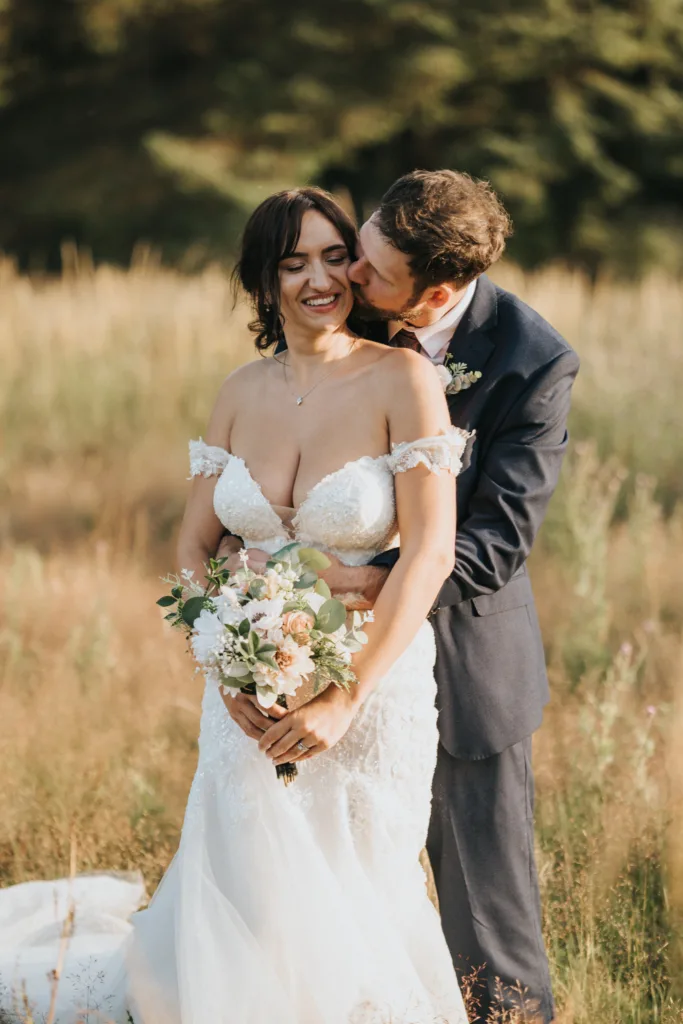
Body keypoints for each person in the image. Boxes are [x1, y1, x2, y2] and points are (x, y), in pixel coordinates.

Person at [0, 186, 470, 1024]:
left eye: (334, 257)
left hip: (369, 689)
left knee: (352, 883)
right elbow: (192, 546)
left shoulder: (402, 377)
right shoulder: (236, 391)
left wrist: (346, 694)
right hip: (243, 691)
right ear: (263, 279)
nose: (320, 279)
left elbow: (431, 551)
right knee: (246, 883)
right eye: (293, 263)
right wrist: (221, 664)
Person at [288, 169, 579, 1022]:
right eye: (356, 252)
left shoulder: (534, 361)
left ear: (438, 292)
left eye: (371, 273)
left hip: (462, 666)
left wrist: (374, 582)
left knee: (486, 924)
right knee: (313, 893)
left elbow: (496, 544)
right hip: (317, 657)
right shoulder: (342, 317)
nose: (348, 279)